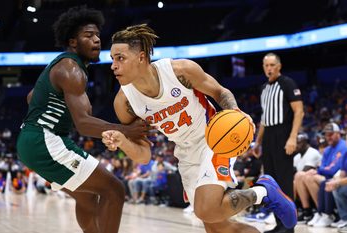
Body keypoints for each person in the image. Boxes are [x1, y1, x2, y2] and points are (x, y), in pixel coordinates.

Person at [102, 24, 297, 233]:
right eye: (112, 59)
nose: (113, 65)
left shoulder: (179, 71)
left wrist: (235, 111)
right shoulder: (124, 102)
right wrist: (123, 141)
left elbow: (220, 92)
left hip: (213, 138)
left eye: (120, 58)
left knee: (207, 209)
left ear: (141, 57)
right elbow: (143, 156)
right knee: (218, 227)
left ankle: (264, 192)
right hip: (185, 153)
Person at [16, 7, 149, 233]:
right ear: (73, 42)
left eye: (97, 35)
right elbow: (84, 125)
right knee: (114, 190)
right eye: (88, 36)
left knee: (87, 198)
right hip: (45, 141)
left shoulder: (62, 66)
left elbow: (31, 97)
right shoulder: (71, 69)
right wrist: (126, 131)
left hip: (32, 140)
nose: (96, 40)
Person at [252, 52, 304, 233]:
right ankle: (279, 224)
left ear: (279, 66)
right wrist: (257, 142)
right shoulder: (264, 88)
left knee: (284, 182)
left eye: (272, 65)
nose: (269, 68)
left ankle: (289, 228)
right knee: (270, 184)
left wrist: (292, 137)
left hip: (283, 135)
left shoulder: (287, 83)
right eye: (266, 65)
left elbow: (299, 111)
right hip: (268, 138)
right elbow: (265, 119)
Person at [293, 132, 322, 222]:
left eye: (299, 142)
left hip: (313, 179)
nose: (296, 145)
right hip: (302, 181)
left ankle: (309, 211)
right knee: (290, 181)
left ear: (306, 142)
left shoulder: (312, 152)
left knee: (299, 177)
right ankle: (297, 211)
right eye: (296, 142)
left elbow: (304, 172)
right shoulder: (296, 157)